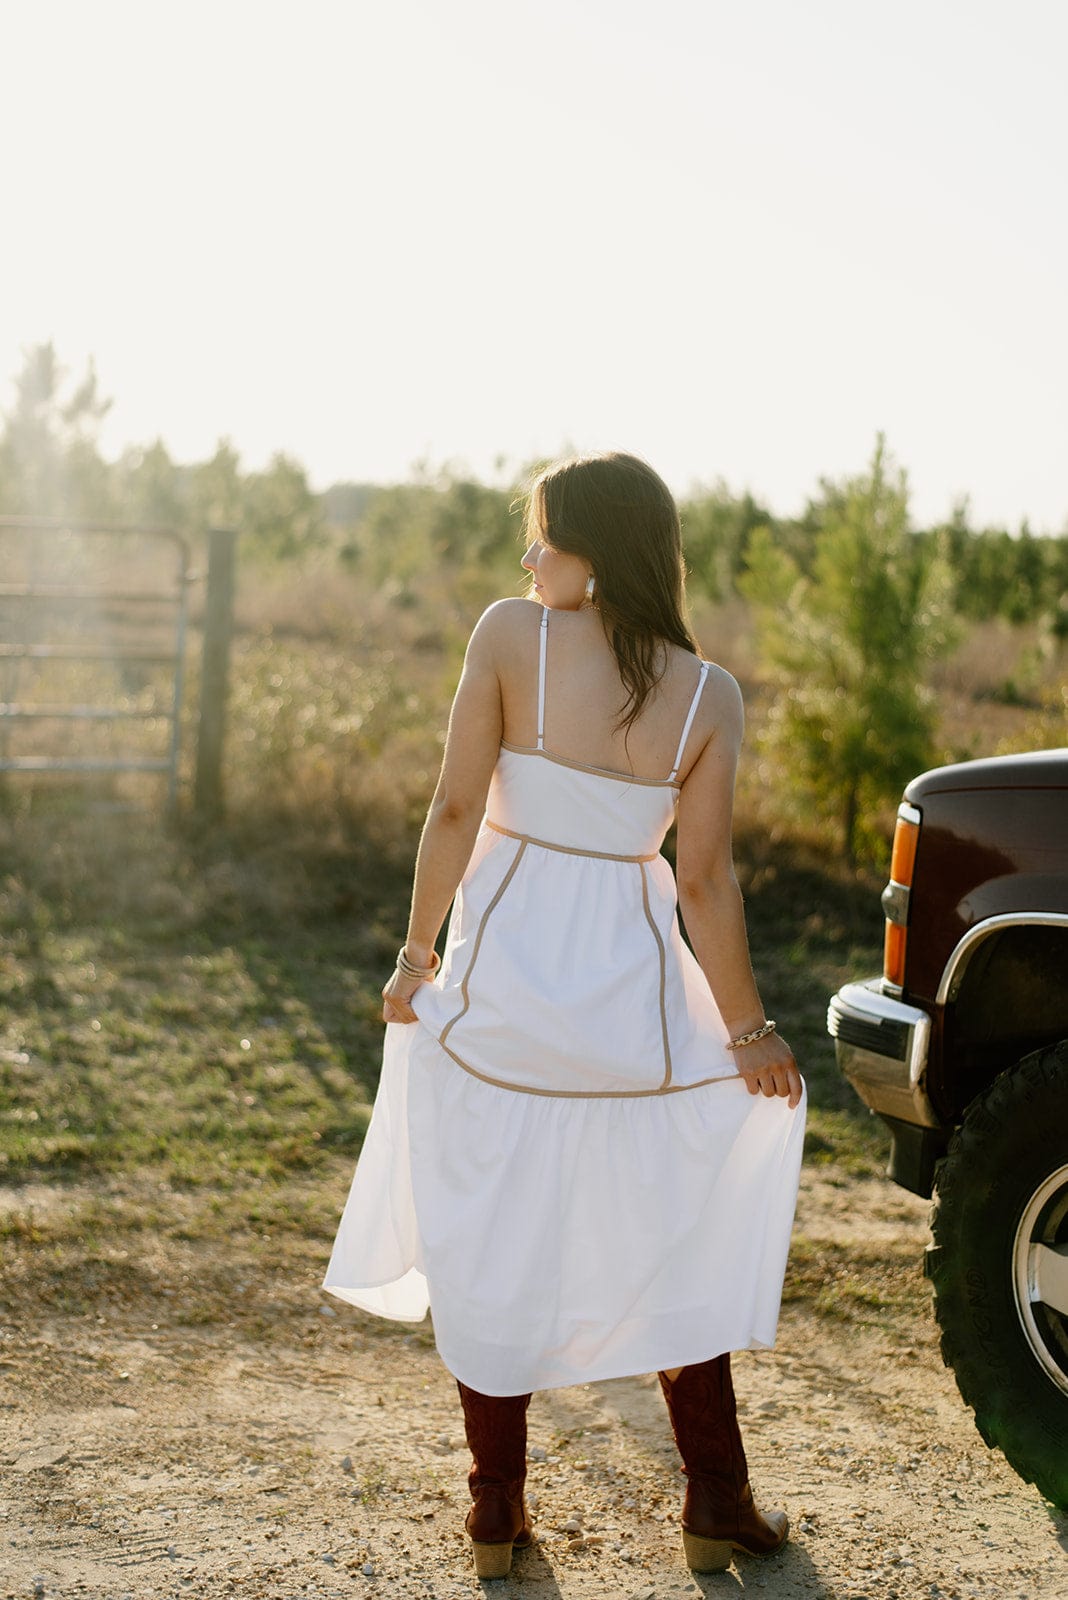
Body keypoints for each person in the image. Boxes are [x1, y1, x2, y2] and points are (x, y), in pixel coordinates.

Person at [323, 451, 806, 1580]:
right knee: (678, 1220)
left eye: (545, 538)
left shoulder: (508, 636)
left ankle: (494, 1511)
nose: (529, 558)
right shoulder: (709, 694)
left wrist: (415, 957)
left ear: (599, 553)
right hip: (631, 1018)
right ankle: (717, 1498)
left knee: (490, 1237)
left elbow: (454, 807)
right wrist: (749, 1035)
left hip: (497, 1002)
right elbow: (704, 882)